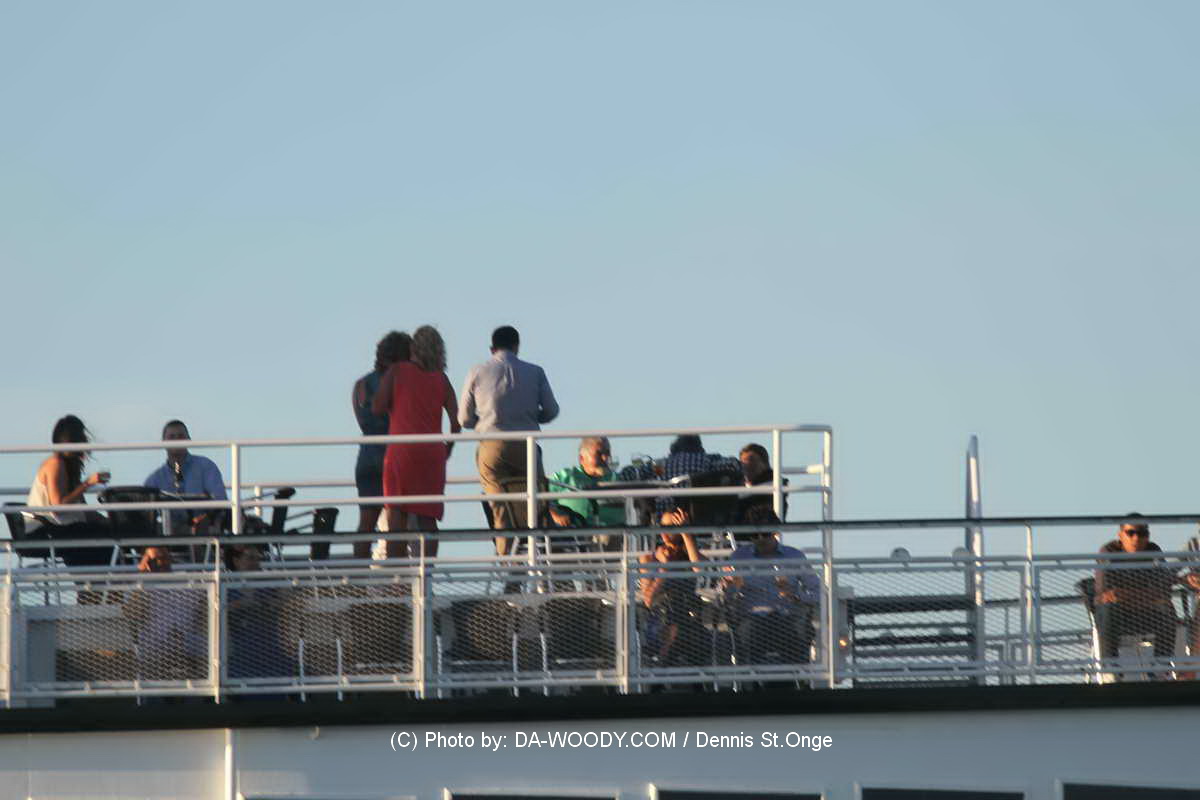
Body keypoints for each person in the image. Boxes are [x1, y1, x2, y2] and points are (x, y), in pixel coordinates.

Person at [458, 325, 559, 554]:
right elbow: (552, 411)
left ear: (491, 348)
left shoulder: (477, 371)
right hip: (527, 444)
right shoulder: (535, 372)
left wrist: (483, 422)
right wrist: (531, 417)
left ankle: (508, 560)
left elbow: (463, 418)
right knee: (535, 506)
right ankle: (540, 558)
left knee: (500, 508)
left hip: (492, 445)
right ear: (517, 346)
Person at [373, 325, 460, 559]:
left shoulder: (398, 371)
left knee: (397, 515)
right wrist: (448, 449)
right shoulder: (442, 379)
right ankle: (427, 573)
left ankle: (397, 573)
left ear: (413, 347)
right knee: (428, 518)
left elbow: (377, 406)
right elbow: (456, 422)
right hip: (432, 454)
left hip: (402, 451)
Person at [723, 507, 819, 666]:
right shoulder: (739, 557)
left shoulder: (794, 556)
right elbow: (725, 597)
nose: (760, 539)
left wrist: (795, 596)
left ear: (775, 531)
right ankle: (751, 678)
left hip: (787, 619)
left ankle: (796, 677)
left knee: (796, 634)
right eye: (755, 535)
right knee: (748, 633)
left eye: (765, 534)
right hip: (752, 620)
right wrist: (731, 587)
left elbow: (818, 592)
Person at [350, 331, 412, 558]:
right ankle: (398, 575)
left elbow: (362, 420)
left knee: (366, 523)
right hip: (394, 456)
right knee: (397, 524)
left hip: (367, 455)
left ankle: (358, 575)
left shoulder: (360, 385)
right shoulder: (400, 382)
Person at [22, 415, 114, 567]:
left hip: (62, 528)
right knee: (100, 538)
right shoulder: (55, 464)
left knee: (109, 531)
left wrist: (106, 520)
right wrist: (87, 484)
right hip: (46, 530)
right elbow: (58, 506)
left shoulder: (69, 466)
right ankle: (102, 580)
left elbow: (81, 509)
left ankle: (108, 579)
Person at [1094, 515, 1178, 677]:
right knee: (1108, 609)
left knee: (1167, 608)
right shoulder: (1109, 552)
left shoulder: (1153, 551)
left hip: (1144, 613)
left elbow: (1165, 590)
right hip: (1117, 616)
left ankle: (1161, 665)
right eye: (1130, 533)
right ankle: (1110, 667)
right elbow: (1108, 596)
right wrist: (1150, 596)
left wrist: (1125, 595)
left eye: (1142, 533)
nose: (1136, 538)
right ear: (1120, 535)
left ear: (1148, 535)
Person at [124, 546, 206, 682]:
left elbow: (206, 606)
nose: (160, 563)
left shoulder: (188, 581)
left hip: (190, 649)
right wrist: (143, 579)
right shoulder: (139, 588)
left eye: (164, 558)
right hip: (156, 651)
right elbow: (132, 614)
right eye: (154, 560)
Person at [638, 506, 705, 667]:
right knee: (673, 615)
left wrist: (686, 533)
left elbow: (700, 569)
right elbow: (648, 599)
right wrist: (665, 567)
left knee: (679, 616)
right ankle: (666, 657)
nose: (666, 532)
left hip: (688, 617)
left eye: (673, 527)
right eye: (664, 527)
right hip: (660, 619)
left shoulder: (690, 556)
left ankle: (663, 661)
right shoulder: (649, 559)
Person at [619, 434, 742, 517]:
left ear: (673, 449)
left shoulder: (662, 464)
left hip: (667, 514)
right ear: (700, 447)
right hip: (702, 515)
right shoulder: (707, 460)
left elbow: (628, 475)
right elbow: (735, 465)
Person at [144, 419, 228, 535]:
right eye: (172, 437)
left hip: (203, 529)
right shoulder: (155, 479)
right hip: (169, 533)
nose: (176, 441)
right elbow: (145, 512)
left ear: (188, 440)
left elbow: (220, 500)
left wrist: (203, 520)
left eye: (180, 436)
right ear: (163, 442)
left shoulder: (205, 466)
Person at [549, 436, 626, 532]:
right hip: (575, 534)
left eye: (607, 453)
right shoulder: (564, 477)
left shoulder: (617, 479)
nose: (605, 458)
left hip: (615, 533)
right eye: (599, 454)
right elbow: (537, 497)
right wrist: (554, 514)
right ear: (581, 458)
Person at [734, 442, 789, 525]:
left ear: (765, 464)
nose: (747, 465)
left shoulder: (775, 487)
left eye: (752, 460)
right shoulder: (740, 487)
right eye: (743, 462)